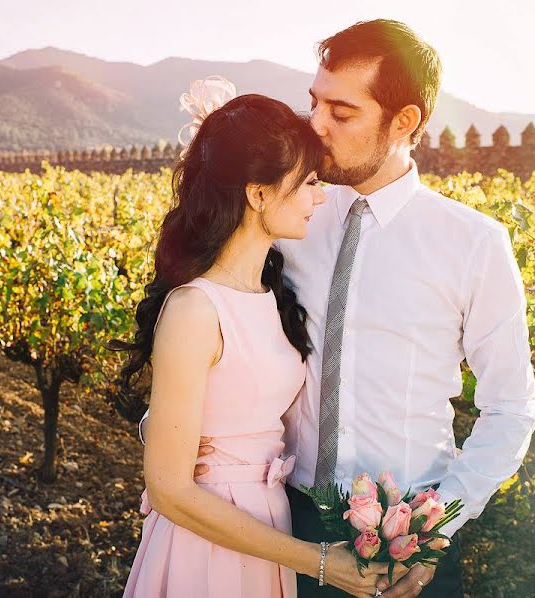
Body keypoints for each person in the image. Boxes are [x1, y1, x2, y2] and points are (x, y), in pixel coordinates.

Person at [140, 19, 535, 598]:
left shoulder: (474, 245)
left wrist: (435, 529)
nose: (315, 126)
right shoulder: (289, 214)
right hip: (281, 527)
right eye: (314, 103)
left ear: (406, 122)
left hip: (412, 548)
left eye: (342, 112)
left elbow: (509, 409)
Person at [114, 84, 386, 598]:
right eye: (307, 182)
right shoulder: (196, 309)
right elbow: (169, 488)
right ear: (257, 194)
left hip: (266, 527)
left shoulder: (271, 293)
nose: (320, 196)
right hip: (208, 540)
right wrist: (320, 561)